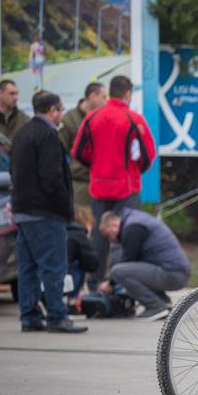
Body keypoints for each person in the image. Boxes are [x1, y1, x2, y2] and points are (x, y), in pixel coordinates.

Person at [8, 91, 87, 334]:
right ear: (52, 110)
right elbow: (52, 179)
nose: (62, 114)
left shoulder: (22, 133)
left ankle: (29, 316)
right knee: (53, 267)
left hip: (23, 211)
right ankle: (56, 316)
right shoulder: (48, 137)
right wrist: (65, 207)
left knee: (27, 268)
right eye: (61, 110)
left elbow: (13, 171)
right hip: (46, 213)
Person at [72, 75, 156, 291]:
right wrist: (135, 171)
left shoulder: (91, 117)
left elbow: (78, 151)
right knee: (124, 235)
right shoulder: (133, 119)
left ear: (110, 92)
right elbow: (148, 154)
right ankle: (118, 286)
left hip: (99, 187)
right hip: (126, 187)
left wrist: (95, 166)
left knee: (99, 236)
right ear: (128, 94)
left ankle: (94, 285)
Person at [97, 208, 191, 321]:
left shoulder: (132, 228)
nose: (110, 239)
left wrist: (110, 283)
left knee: (118, 271)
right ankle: (163, 302)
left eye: (107, 235)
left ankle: (155, 306)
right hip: (177, 272)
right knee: (128, 270)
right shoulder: (135, 219)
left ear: (114, 225)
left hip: (172, 274)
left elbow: (128, 260)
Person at [59, 81, 108, 210]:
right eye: (103, 97)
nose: (106, 101)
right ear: (92, 96)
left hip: (101, 184)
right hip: (79, 184)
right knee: (81, 220)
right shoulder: (69, 120)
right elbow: (59, 151)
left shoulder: (103, 117)